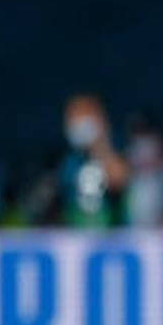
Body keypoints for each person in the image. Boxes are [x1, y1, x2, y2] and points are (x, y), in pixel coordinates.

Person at [57, 93, 130, 227]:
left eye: (80, 118)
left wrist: (99, 142)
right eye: (70, 119)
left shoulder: (115, 149)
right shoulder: (70, 160)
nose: (75, 125)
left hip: (111, 235)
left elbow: (119, 180)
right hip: (76, 234)